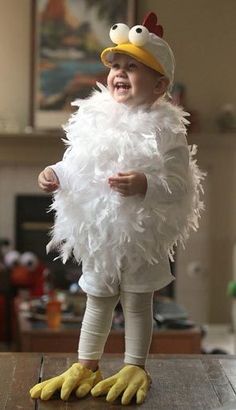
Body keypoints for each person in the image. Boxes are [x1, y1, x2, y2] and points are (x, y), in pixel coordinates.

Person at [30, 12, 204, 405]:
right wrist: (54, 173)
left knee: (138, 303)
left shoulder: (167, 131)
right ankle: (86, 363)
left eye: (133, 67)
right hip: (101, 234)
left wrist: (145, 183)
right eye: (116, 66)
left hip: (141, 234)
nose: (119, 73)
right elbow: (76, 163)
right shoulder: (93, 119)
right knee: (97, 299)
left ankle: (134, 365)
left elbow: (180, 184)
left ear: (160, 85)